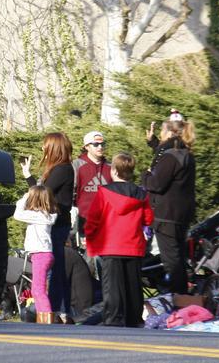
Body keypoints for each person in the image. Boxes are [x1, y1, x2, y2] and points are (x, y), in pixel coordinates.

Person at [84, 153, 153, 327]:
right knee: (133, 284)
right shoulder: (141, 194)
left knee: (112, 285)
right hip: (134, 244)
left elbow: (93, 219)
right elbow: (148, 219)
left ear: (113, 171)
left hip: (111, 244)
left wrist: (90, 237)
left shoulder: (104, 192)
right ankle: (134, 319)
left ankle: (113, 318)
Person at [20, 132, 74, 322]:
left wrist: (29, 180)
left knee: (54, 269)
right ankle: (55, 309)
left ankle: (54, 310)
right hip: (57, 224)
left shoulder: (61, 170)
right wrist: (28, 176)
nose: (43, 149)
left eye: (45, 145)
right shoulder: (61, 169)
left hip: (56, 226)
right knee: (55, 268)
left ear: (53, 148)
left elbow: (41, 195)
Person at [142, 115, 196, 295]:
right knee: (178, 257)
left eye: (163, 131)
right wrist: (153, 143)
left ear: (170, 132)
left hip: (167, 216)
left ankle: (179, 300)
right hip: (181, 214)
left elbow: (157, 184)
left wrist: (146, 175)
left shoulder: (171, 157)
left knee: (172, 261)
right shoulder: (186, 154)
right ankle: (181, 297)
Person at [13, 185, 59, 324]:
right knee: (37, 289)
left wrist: (25, 196)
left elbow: (17, 213)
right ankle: (42, 318)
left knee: (38, 290)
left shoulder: (37, 216)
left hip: (40, 255)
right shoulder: (47, 214)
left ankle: (46, 320)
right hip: (44, 255)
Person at [72, 130, 113, 245]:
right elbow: (71, 191)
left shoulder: (110, 167)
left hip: (107, 222)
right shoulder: (77, 165)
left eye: (102, 144)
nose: (100, 147)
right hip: (84, 222)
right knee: (88, 259)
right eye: (95, 144)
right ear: (87, 147)